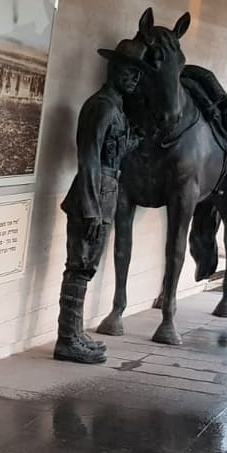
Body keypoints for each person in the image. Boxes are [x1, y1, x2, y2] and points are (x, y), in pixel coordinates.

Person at [54, 39, 145, 363]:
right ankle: (67, 340)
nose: (135, 79)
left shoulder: (116, 108)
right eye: (130, 72)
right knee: (78, 267)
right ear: (114, 69)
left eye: (138, 74)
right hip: (92, 193)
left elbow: (110, 152)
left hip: (107, 189)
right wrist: (92, 208)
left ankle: (75, 334)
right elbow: (89, 157)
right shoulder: (102, 106)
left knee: (87, 268)